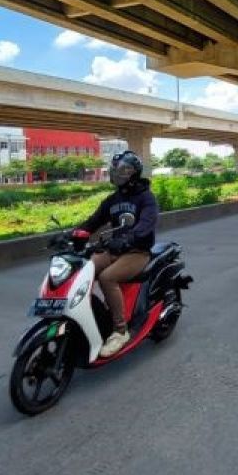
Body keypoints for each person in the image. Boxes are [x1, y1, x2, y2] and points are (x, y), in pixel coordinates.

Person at [77, 151, 158, 357]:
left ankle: (120, 331)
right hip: (113, 250)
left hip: (137, 252)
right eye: (116, 169)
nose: (118, 173)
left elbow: (146, 225)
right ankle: (88, 319)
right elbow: (92, 222)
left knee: (107, 278)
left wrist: (129, 238)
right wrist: (74, 234)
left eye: (124, 170)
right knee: (84, 271)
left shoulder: (146, 198)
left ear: (134, 173)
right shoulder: (112, 200)